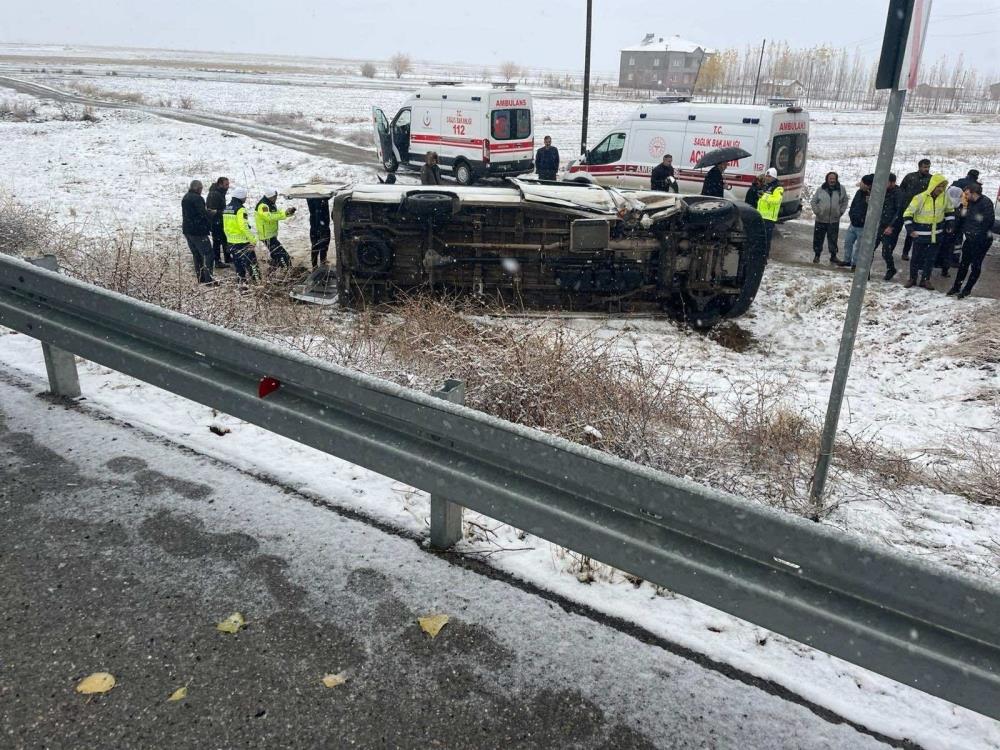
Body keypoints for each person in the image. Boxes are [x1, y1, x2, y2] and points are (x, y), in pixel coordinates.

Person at [902, 173, 954, 290]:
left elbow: (949, 211)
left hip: (936, 235)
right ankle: (912, 278)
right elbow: (907, 214)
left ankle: (925, 280)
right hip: (920, 234)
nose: (940, 189)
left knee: (930, 259)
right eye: (938, 186)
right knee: (916, 258)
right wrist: (910, 230)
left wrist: (950, 223)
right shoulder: (920, 198)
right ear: (933, 185)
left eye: (943, 187)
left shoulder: (945, 197)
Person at [948, 182, 995, 298]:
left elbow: (988, 222)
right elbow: (962, 218)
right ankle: (956, 287)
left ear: (974, 194)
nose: (965, 196)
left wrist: (975, 228)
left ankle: (967, 289)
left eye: (967, 194)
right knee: (963, 264)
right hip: (969, 239)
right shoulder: (967, 203)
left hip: (982, 240)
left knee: (975, 266)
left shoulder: (986, 203)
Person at [181, 179, 216, 285]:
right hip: (198, 231)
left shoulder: (185, 197)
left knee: (196, 255)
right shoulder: (197, 198)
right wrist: (211, 214)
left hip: (188, 230)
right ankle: (208, 279)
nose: (201, 190)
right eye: (201, 188)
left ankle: (201, 278)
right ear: (198, 188)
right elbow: (202, 213)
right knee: (208, 254)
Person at [222, 187, 260, 284]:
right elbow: (243, 226)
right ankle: (258, 283)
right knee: (252, 264)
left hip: (231, 241)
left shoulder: (227, 208)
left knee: (238, 265)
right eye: (245, 197)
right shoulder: (240, 209)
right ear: (241, 197)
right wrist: (252, 239)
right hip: (242, 242)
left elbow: (225, 226)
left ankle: (242, 284)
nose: (246, 199)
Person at [810, 171, 848, 264]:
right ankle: (817, 255)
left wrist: (841, 212)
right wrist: (817, 212)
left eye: (833, 179)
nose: (832, 180)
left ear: (836, 179)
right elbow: (813, 202)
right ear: (827, 179)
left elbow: (845, 201)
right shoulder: (821, 189)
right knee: (818, 239)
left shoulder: (841, 189)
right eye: (830, 179)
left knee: (833, 239)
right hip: (821, 219)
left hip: (834, 220)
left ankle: (833, 256)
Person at [898, 159, 932, 261]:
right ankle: (905, 252)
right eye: (925, 167)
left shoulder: (931, 179)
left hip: (922, 210)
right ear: (919, 167)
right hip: (907, 208)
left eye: (928, 167)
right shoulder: (910, 177)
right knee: (907, 230)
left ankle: (915, 255)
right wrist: (902, 203)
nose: (927, 169)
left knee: (916, 232)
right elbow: (902, 189)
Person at [255, 188, 295, 271]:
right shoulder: (263, 206)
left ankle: (273, 269)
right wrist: (284, 214)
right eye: (275, 197)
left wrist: (287, 213)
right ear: (270, 196)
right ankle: (287, 269)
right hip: (266, 236)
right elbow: (269, 217)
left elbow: (276, 213)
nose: (276, 199)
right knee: (282, 254)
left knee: (276, 254)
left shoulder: (271, 203)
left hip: (271, 235)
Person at [839, 174, 873, 270]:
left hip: (863, 226)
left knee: (859, 247)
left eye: (862, 183)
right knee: (848, 242)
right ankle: (847, 260)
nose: (860, 184)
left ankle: (855, 264)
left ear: (868, 185)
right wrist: (851, 214)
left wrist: (863, 219)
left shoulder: (872, 196)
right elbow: (854, 204)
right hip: (853, 223)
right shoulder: (859, 192)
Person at [879, 173, 904, 280]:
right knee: (869, 249)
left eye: (886, 182)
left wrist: (891, 226)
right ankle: (866, 272)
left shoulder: (898, 194)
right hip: (879, 224)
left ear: (893, 182)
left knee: (886, 251)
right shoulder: (882, 191)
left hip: (890, 227)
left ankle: (891, 268)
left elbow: (899, 212)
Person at [756, 167, 784, 257]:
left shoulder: (778, 188)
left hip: (769, 218)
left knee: (766, 239)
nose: (766, 178)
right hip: (761, 216)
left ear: (773, 177)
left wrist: (764, 196)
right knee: (760, 238)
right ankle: (759, 255)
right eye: (766, 176)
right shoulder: (766, 186)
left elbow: (777, 200)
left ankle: (765, 256)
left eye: (769, 176)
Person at [206, 176, 231, 268]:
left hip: (220, 220)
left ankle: (227, 257)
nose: (228, 186)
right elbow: (212, 211)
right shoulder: (215, 194)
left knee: (224, 239)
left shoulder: (219, 192)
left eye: (228, 184)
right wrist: (223, 212)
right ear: (220, 184)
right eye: (226, 184)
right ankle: (217, 261)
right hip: (216, 222)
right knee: (217, 241)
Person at [306, 195, 331, 268]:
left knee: (315, 244)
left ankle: (315, 265)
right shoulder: (321, 194)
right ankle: (321, 263)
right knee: (323, 243)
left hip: (315, 224)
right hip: (322, 224)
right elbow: (328, 195)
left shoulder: (310, 194)